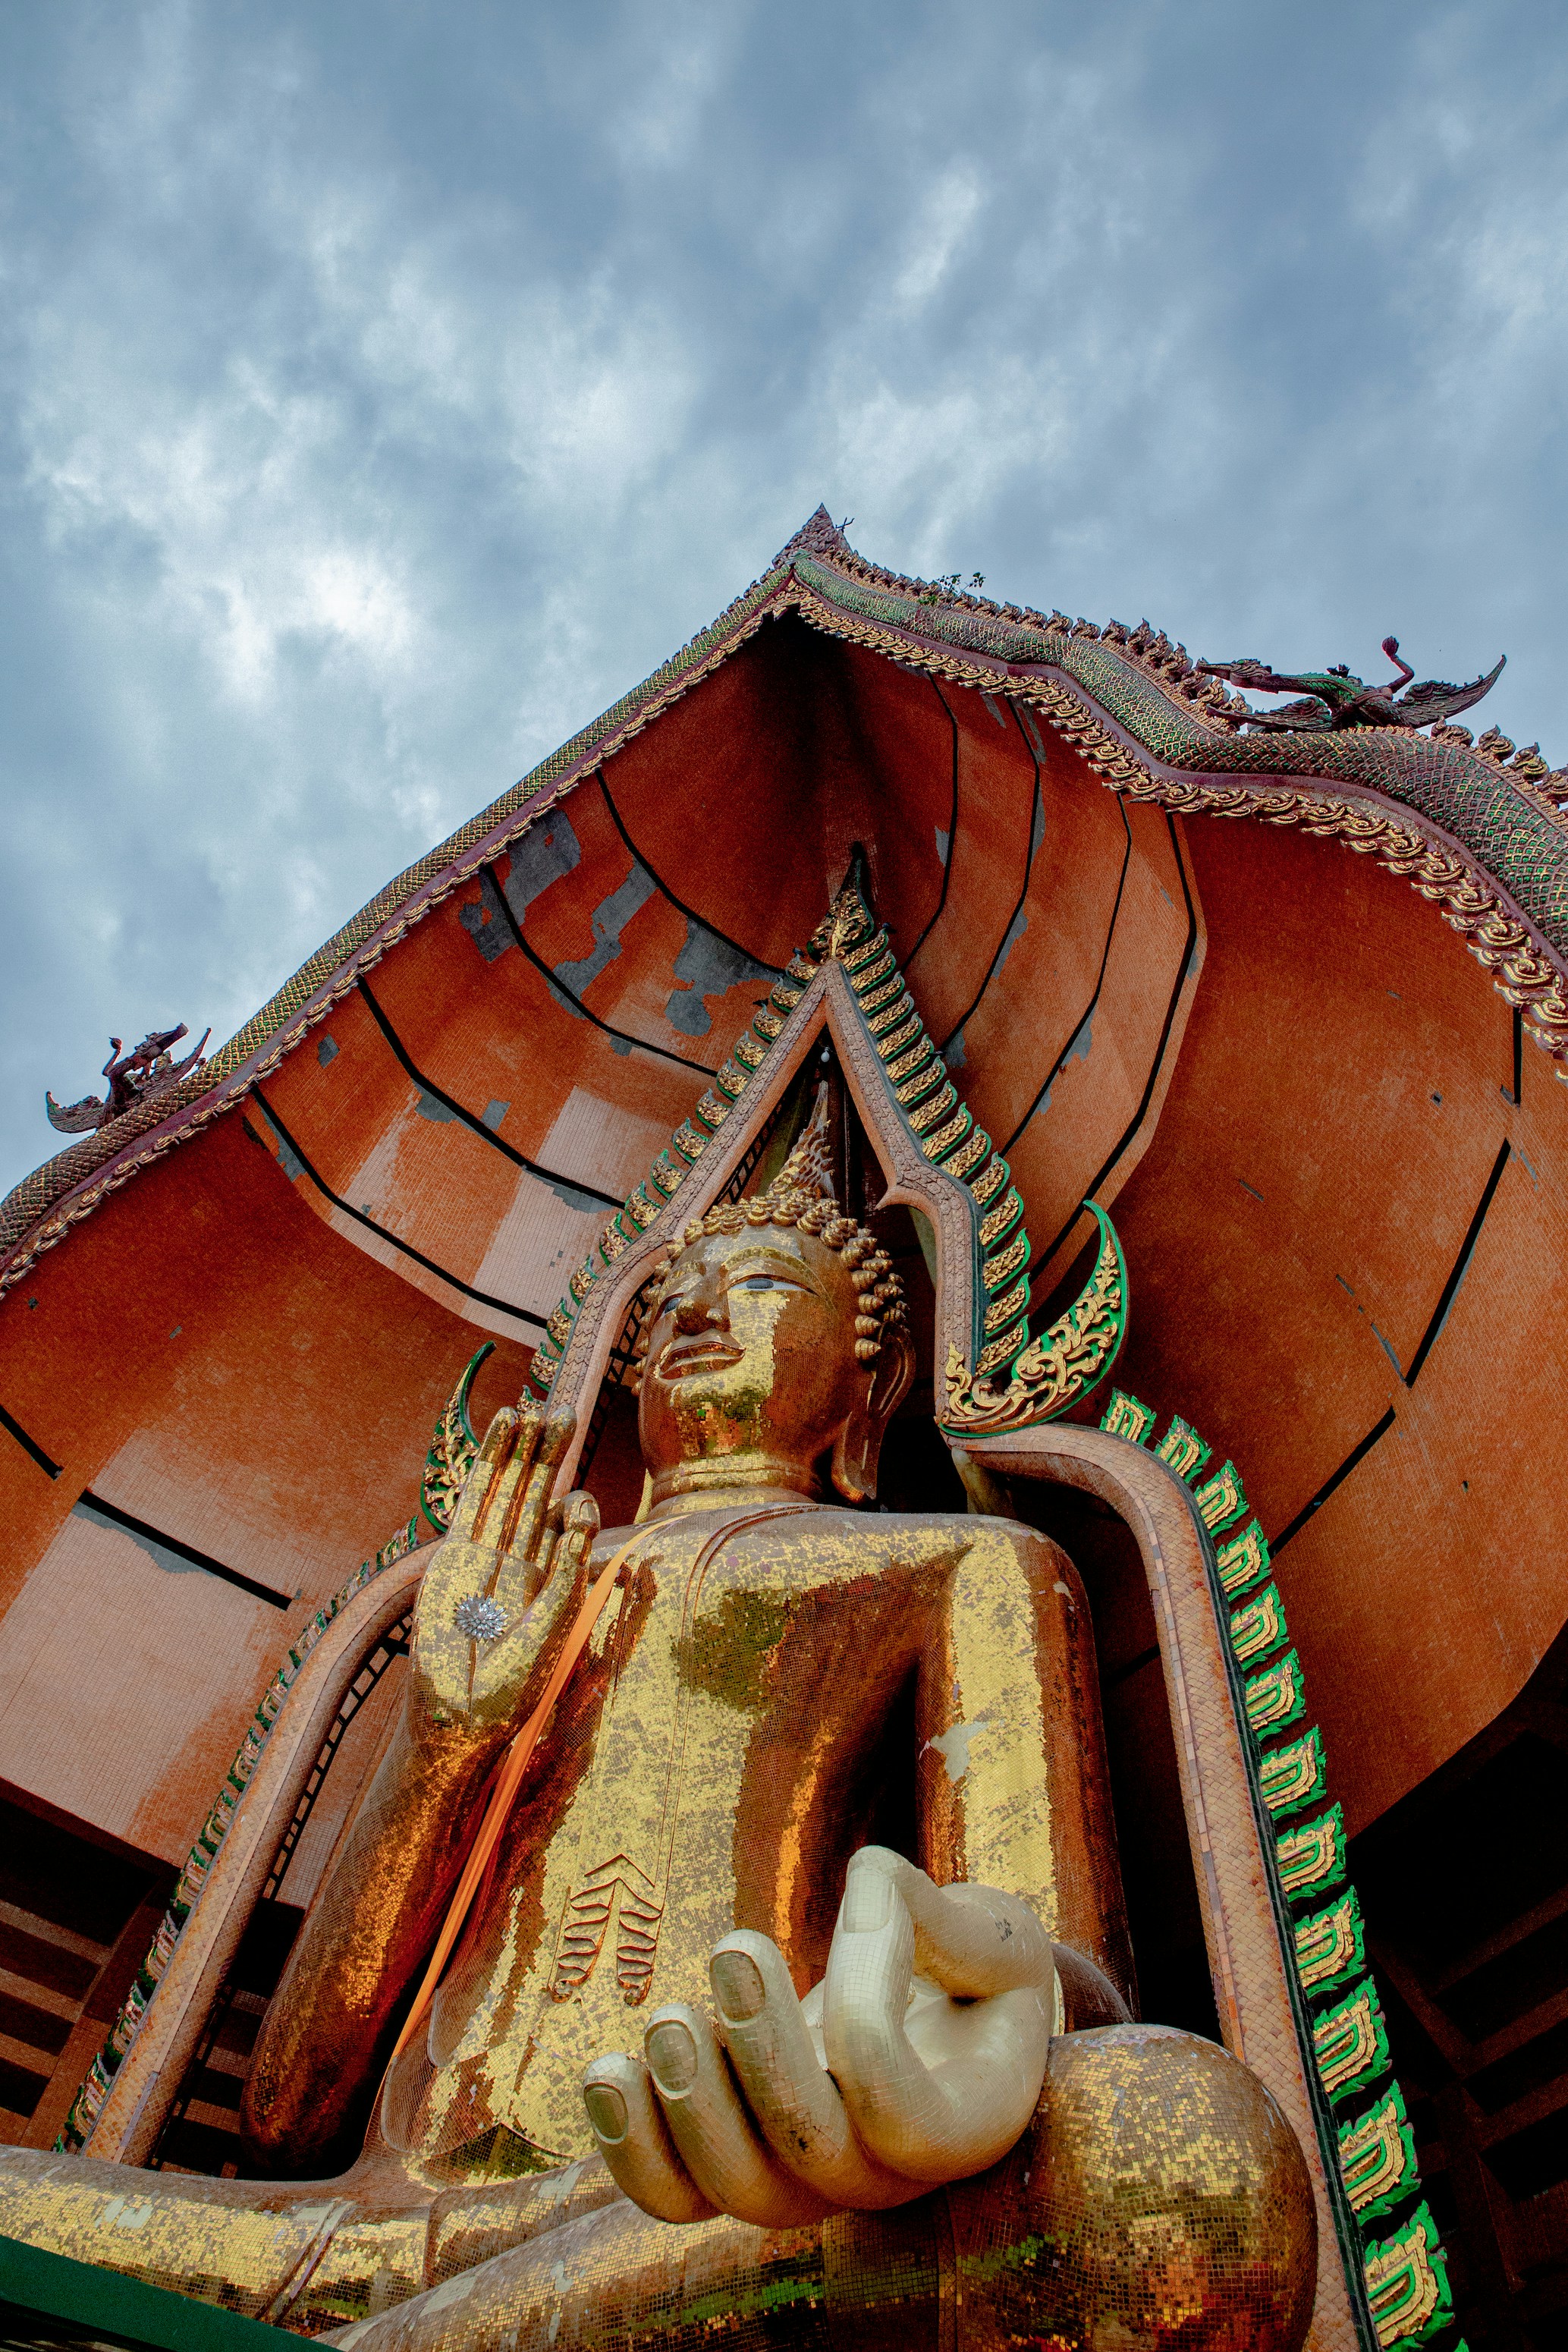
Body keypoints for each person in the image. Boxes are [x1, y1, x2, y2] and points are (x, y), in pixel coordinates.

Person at [0, 1129, 1315, 2347]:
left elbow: (1059, 1997)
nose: (695, 1313)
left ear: (873, 1384)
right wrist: (446, 1742)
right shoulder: (514, 1597)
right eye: (672, 1296)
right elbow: (284, 2111)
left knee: (1173, 2156)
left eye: (762, 1286)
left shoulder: (960, 1563)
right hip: (355, 2236)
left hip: (707, 2219)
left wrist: (925, 2034)